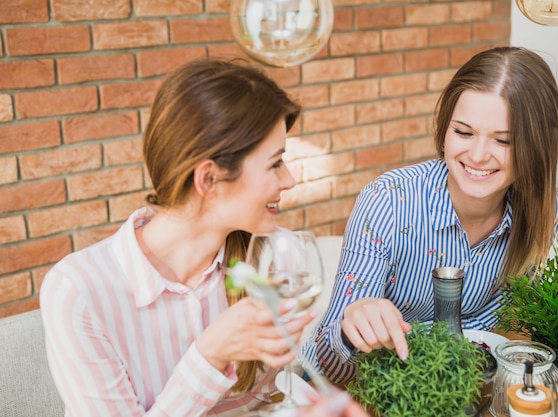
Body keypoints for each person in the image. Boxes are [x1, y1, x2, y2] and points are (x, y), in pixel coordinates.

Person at [40, 57, 367, 417]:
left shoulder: (276, 258)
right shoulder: (79, 292)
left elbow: (274, 399)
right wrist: (208, 354)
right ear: (209, 179)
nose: (289, 180)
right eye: (275, 163)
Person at [301, 46, 558, 384]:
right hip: (352, 392)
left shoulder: (543, 210)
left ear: (537, 145)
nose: (479, 155)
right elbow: (329, 367)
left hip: (454, 390)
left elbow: (499, 336)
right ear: (444, 130)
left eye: (503, 140)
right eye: (463, 132)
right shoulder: (389, 201)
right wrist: (353, 331)